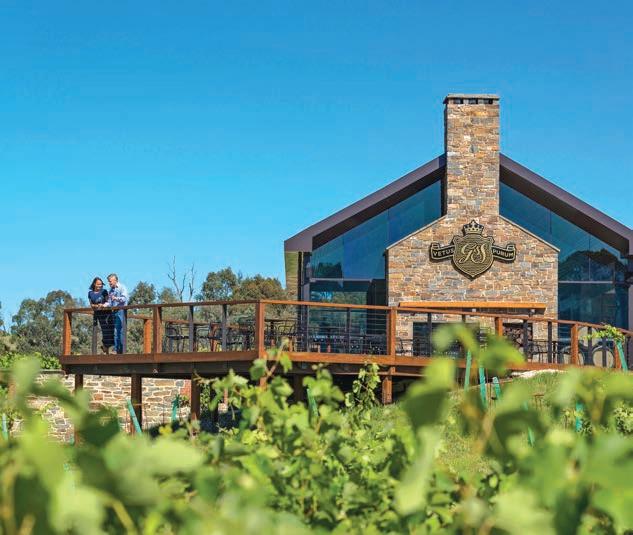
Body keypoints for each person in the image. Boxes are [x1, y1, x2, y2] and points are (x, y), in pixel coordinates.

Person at [88, 277, 114, 354]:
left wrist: (102, 305)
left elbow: (108, 302)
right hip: (99, 314)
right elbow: (91, 304)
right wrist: (97, 306)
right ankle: (105, 347)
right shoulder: (90, 293)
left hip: (107, 313)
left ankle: (108, 348)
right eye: (98, 284)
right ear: (94, 284)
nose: (100, 286)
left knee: (111, 329)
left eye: (101, 284)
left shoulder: (104, 291)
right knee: (105, 330)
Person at [107, 273, 129, 354]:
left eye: (110, 281)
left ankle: (122, 350)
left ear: (115, 280)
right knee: (116, 331)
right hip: (114, 311)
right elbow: (110, 303)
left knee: (121, 330)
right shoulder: (111, 290)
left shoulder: (122, 287)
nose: (109, 283)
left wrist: (116, 298)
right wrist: (103, 305)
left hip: (121, 310)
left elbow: (125, 299)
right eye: (109, 282)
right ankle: (116, 350)